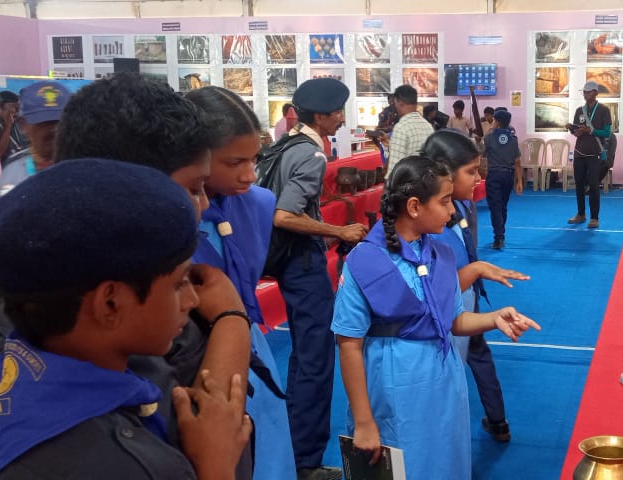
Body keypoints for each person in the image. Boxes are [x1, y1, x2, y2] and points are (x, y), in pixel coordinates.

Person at [0, 158, 252, 479]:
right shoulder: (132, 467)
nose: (193, 299)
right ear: (111, 303)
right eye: (178, 284)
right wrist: (217, 468)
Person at [52, 73, 255, 478]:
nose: (202, 205)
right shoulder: (133, 307)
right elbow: (211, 427)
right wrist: (232, 320)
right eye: (193, 188)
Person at [332, 155, 540, 479]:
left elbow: (453, 321)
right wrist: (363, 421)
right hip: (394, 385)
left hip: (443, 382)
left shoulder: (440, 255)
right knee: (404, 463)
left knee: (445, 461)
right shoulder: (364, 261)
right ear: (415, 206)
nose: (452, 210)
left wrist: (493, 318)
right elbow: (348, 344)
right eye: (444, 202)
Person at [185, 85, 297, 480]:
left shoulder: (259, 204)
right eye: (234, 162)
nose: (249, 175)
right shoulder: (168, 215)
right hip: (190, 356)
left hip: (248, 342)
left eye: (254, 160)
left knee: (266, 448)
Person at [269, 77, 367, 480]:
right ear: (321, 116)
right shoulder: (311, 154)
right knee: (316, 360)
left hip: (286, 261)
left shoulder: (285, 144)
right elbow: (284, 214)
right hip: (301, 264)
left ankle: (294, 451)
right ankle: (306, 461)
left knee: (303, 358)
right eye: (337, 112)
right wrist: (338, 231)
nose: (342, 118)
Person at [423, 130, 529, 443]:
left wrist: (476, 274)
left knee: (476, 353)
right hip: (443, 313)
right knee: (447, 375)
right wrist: (478, 269)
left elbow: (465, 252)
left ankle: (496, 420)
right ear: (443, 172)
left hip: (467, 299)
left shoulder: (462, 206)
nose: (478, 178)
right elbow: (438, 288)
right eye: (470, 172)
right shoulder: (429, 224)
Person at [0, 80, 71, 197]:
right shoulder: (13, 172)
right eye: (44, 123)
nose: (54, 129)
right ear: (23, 124)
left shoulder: (86, 169)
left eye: (59, 122)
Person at [568, 81, 612, 229]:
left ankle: (594, 217)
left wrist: (590, 130)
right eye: (584, 92)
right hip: (579, 152)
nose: (586, 94)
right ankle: (581, 214)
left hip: (595, 153)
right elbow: (577, 132)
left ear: (596, 93)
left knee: (593, 185)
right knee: (579, 184)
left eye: (589, 91)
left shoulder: (604, 110)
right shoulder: (579, 110)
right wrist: (573, 130)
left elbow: (607, 133)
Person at [483, 109, 523, 250]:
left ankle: (498, 237)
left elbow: (481, 153)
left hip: (494, 175)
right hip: (508, 176)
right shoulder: (513, 138)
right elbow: (517, 162)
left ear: (497, 122)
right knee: (503, 206)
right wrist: (519, 181)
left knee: (495, 207)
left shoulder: (489, 137)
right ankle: (501, 234)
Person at [386, 84, 433, 173]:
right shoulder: (428, 126)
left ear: (400, 102)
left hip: (406, 180)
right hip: (425, 179)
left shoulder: (401, 127)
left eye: (394, 103)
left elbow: (394, 169)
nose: (394, 106)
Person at [0, 91, 27, 165]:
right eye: (13, 110)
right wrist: (8, 126)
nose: (16, 113)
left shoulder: (17, 123)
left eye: (18, 110)